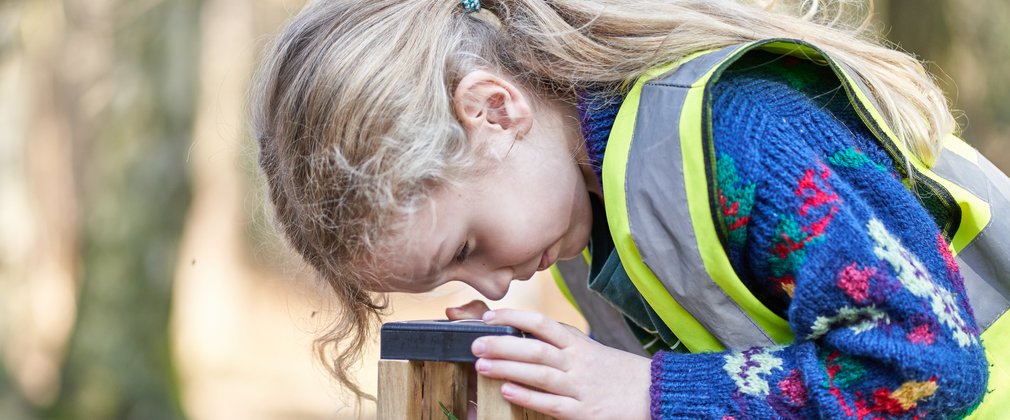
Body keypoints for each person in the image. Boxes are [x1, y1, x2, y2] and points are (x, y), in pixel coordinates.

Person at [252, 0, 1008, 418]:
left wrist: (647, 392)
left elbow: (929, 371)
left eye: (466, 247)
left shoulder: (744, 138)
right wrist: (553, 384)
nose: (487, 287)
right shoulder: (593, 216)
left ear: (492, 111)